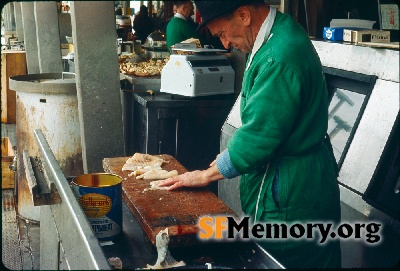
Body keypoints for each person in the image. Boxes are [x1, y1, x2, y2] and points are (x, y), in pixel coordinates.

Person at [159, 0, 342, 269]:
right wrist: (228, 155)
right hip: (296, 181)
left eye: (222, 34)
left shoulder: (279, 57)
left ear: (244, 15)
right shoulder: (278, 34)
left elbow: (258, 138)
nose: (225, 45)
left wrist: (205, 175)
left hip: (293, 197)